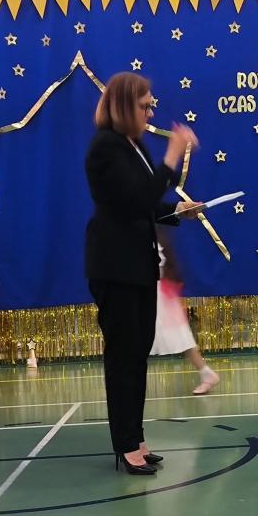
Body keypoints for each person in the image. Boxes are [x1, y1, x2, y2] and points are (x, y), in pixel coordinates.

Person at [85, 71, 203, 475]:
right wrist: (172, 156)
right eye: (144, 105)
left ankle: (135, 438)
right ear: (123, 105)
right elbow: (137, 198)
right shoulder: (106, 147)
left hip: (137, 264)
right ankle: (124, 444)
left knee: (138, 354)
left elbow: (145, 205)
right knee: (123, 357)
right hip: (115, 266)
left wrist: (177, 210)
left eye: (151, 105)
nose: (151, 112)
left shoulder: (132, 146)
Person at [150, 229, 220, 395]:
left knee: (181, 338)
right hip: (156, 294)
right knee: (180, 338)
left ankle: (207, 373)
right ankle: (206, 373)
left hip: (159, 296)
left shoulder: (153, 238)